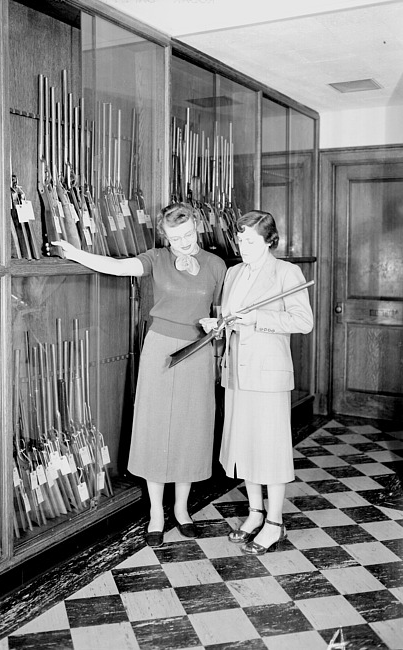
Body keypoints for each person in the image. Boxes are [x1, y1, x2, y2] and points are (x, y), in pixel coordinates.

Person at [53, 202, 226, 547]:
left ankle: (181, 509)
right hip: (161, 349)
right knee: (155, 428)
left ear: (198, 227)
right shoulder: (156, 259)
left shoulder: (216, 265)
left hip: (197, 351)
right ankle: (157, 514)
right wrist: (75, 253)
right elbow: (117, 267)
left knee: (190, 429)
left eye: (188, 234)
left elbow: (222, 312)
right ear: (165, 236)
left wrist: (218, 326)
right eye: (175, 238)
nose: (183, 242)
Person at [200, 210, 313, 554]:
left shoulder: (287, 272)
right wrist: (218, 326)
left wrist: (256, 319)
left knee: (271, 449)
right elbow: (230, 318)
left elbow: (302, 321)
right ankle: (255, 512)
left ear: (269, 241)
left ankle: (275, 522)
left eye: (250, 240)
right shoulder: (234, 272)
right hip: (237, 372)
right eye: (240, 239)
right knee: (245, 445)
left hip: (268, 374)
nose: (242, 245)